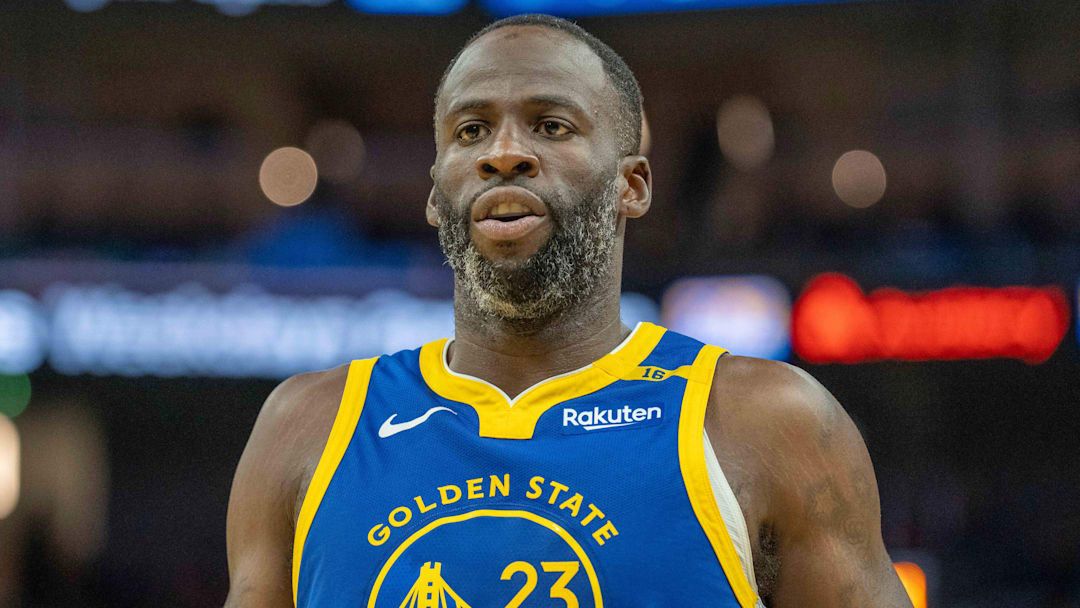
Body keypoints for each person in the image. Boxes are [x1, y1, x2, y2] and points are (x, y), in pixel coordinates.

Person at [225, 14, 914, 607]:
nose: (504, 153)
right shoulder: (308, 426)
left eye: (550, 126)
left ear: (632, 185)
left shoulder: (769, 423)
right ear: (436, 195)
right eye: (470, 131)